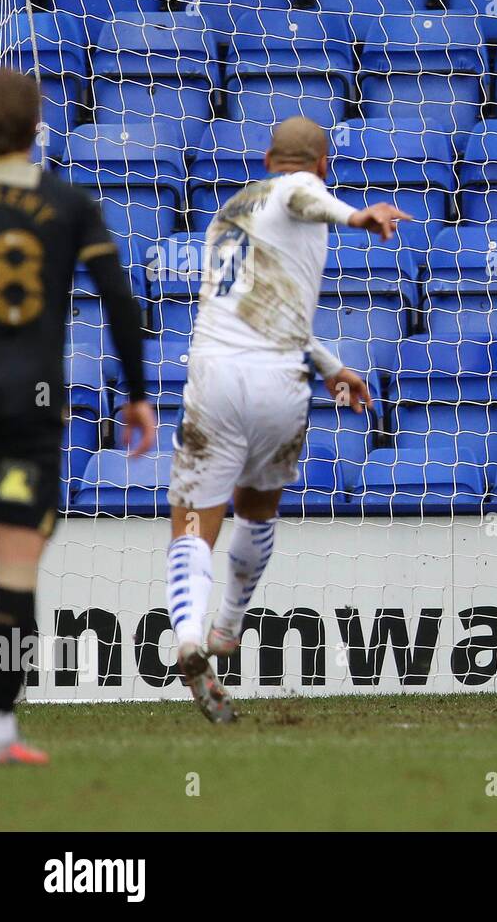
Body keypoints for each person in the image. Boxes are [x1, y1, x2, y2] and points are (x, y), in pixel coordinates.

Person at [165, 116, 408, 723]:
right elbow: (304, 195)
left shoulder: (227, 213)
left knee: (194, 520)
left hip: (216, 376)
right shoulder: (303, 190)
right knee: (258, 507)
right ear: (324, 164)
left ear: (267, 155)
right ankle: (227, 628)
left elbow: (251, 305)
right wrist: (359, 217)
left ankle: (190, 636)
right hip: (277, 385)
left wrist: (329, 363)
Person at [0, 68, 156, 764]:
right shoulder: (68, 203)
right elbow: (119, 299)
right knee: (16, 567)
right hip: (28, 407)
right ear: (37, 131)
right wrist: (139, 393)